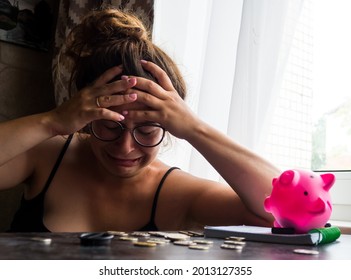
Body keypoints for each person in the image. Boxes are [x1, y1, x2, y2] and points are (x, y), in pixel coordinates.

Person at [0, 8, 280, 232]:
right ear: (86, 117)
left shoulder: (173, 191)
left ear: (169, 127)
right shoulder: (50, 154)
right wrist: (52, 121)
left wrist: (196, 129)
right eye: (110, 126)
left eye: (146, 131)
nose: (125, 148)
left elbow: (288, 210)